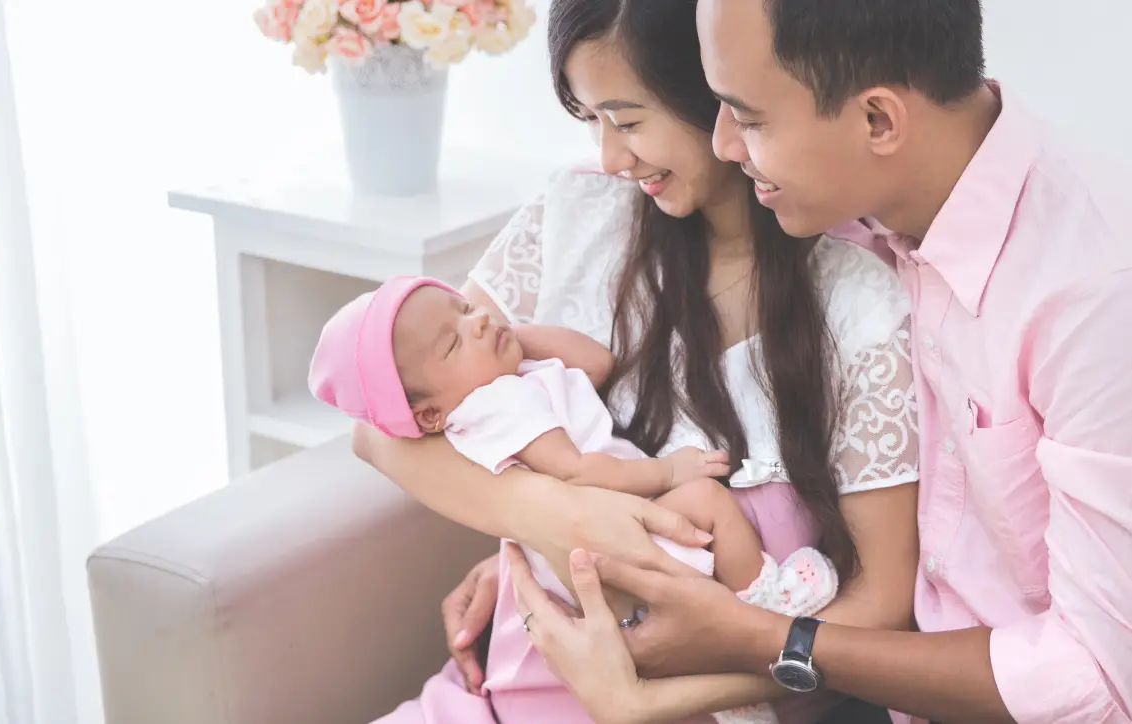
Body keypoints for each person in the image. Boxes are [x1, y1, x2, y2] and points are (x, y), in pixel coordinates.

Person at [507, 1, 1132, 723]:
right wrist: (537, 530)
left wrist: (761, 641)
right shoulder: (859, 206)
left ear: (877, 121)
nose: (723, 147)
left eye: (746, 118)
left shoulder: (1090, 292)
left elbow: (1098, 679)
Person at [356, 0, 920, 722]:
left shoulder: (856, 296)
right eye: (589, 120)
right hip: (505, 693)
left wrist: (644, 697)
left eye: (627, 120)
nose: (609, 158)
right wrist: (552, 521)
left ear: (719, 94)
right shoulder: (583, 217)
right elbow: (379, 425)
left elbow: (882, 603)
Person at [311, 277, 840, 724]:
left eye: (467, 308)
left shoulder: (511, 380)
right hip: (607, 529)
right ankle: (768, 605)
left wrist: (502, 335)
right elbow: (577, 469)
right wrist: (668, 469)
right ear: (428, 415)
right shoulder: (497, 405)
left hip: (609, 530)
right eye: (452, 343)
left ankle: (742, 664)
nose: (476, 322)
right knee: (707, 499)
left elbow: (596, 362)